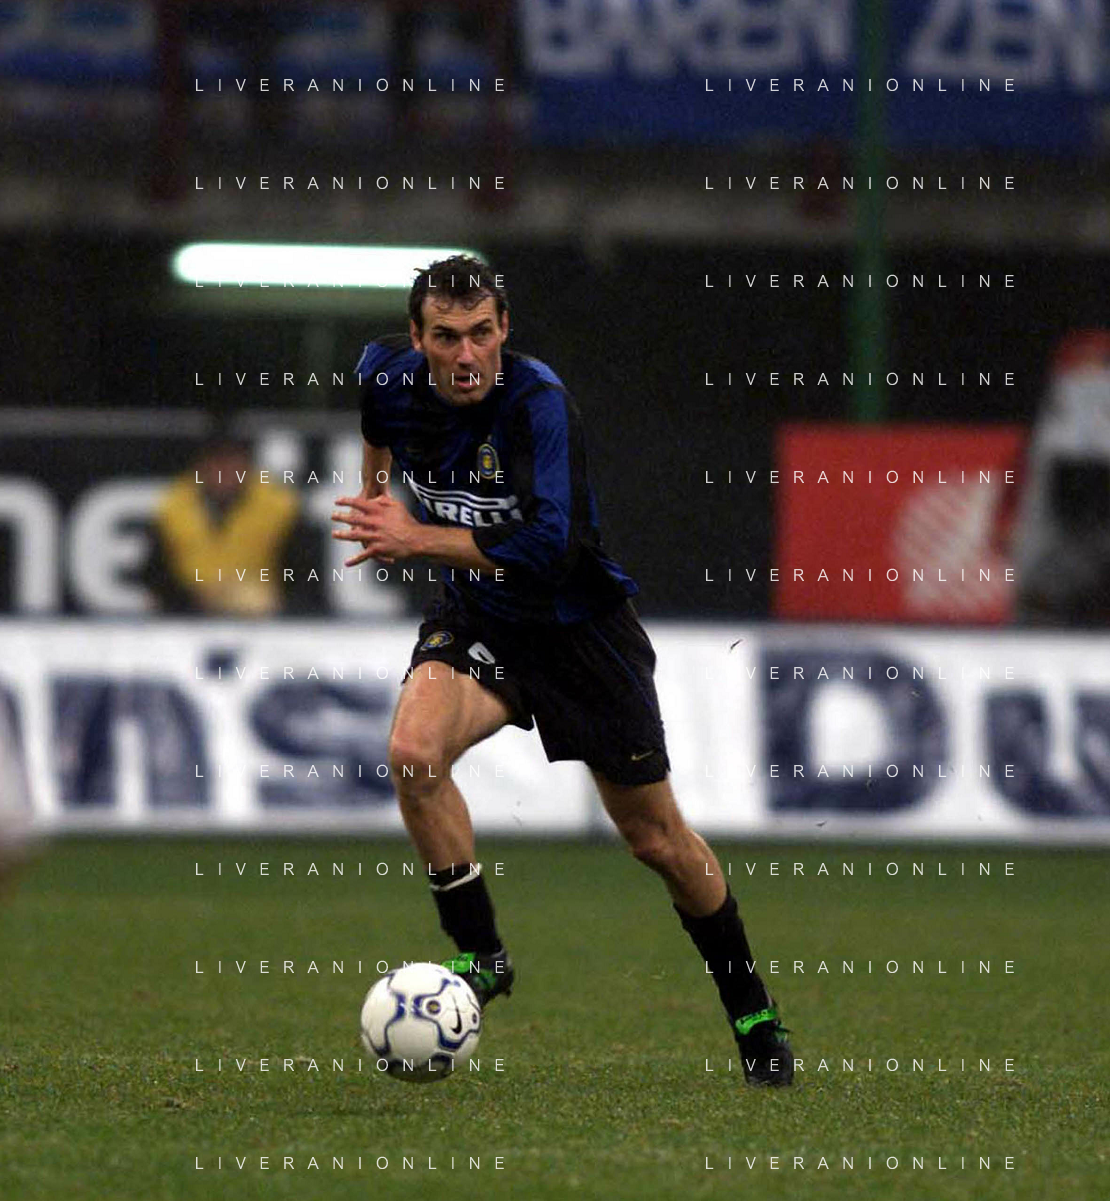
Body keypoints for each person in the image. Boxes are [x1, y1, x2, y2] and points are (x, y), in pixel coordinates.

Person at [332, 255, 794, 1085]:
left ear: (505, 329)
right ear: (417, 338)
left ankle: (753, 1012)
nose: (466, 355)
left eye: (482, 333)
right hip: (480, 617)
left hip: (580, 632)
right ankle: (481, 953)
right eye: (447, 336)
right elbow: (375, 418)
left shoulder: (538, 402)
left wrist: (414, 535)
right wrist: (376, 502)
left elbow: (552, 546)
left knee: (655, 839)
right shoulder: (385, 376)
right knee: (413, 754)